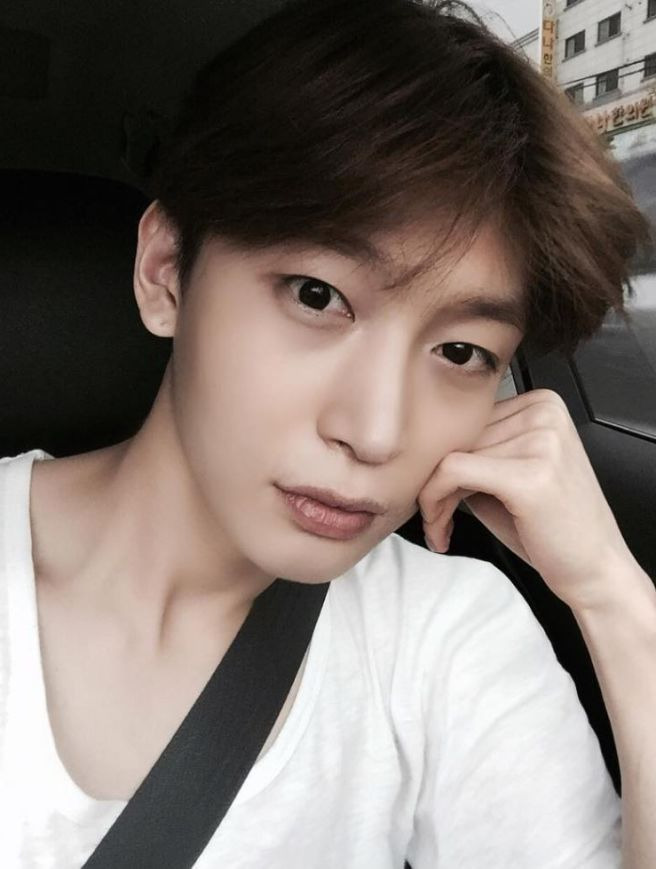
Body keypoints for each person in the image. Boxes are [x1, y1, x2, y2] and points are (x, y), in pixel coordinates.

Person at [1, 0, 654, 866]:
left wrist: (617, 598)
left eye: (461, 351)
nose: (376, 432)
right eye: (318, 296)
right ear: (166, 274)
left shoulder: (447, 638)